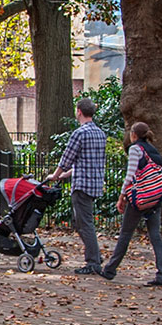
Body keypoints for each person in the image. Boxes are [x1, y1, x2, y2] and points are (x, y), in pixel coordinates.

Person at [100, 122, 162, 286]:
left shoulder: (135, 149)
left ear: (133, 134)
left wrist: (122, 196)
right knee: (155, 235)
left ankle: (110, 269)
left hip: (140, 198)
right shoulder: (154, 151)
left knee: (125, 233)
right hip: (155, 197)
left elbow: (130, 175)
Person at [45, 97, 108, 275]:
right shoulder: (100, 133)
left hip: (82, 186)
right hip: (94, 183)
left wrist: (55, 176)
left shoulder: (80, 133)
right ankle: (94, 253)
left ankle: (93, 262)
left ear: (79, 111)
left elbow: (67, 158)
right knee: (81, 221)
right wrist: (66, 174)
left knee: (84, 223)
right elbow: (89, 161)